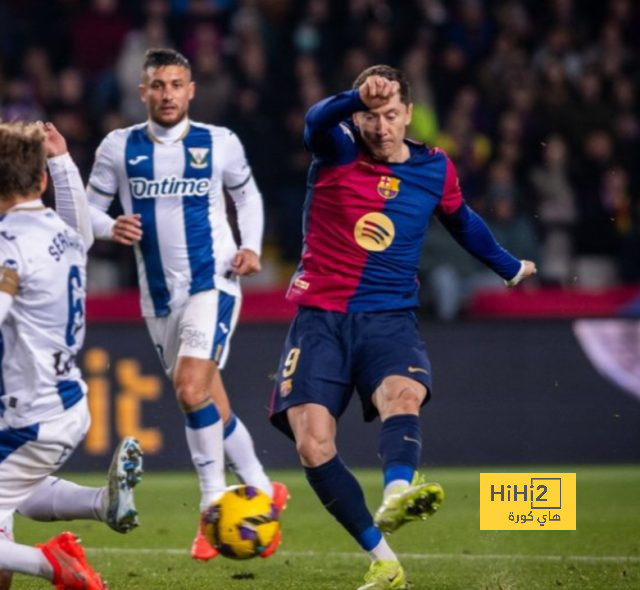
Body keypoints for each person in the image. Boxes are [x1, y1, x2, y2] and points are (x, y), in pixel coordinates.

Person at [269, 65, 537, 590]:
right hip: (320, 320)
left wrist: (507, 265)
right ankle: (383, 559)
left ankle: (397, 491)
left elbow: (462, 220)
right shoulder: (338, 150)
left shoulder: (435, 168)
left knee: (403, 394)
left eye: (391, 114)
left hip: (389, 318)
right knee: (312, 444)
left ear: (409, 115)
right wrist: (352, 97)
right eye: (371, 115)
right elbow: (313, 122)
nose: (381, 126)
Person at [86, 47, 288, 560]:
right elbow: (85, 209)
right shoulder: (118, 147)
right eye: (158, 85)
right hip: (157, 296)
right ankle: (264, 488)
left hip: (212, 282)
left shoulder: (218, 143)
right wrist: (111, 226)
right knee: (204, 400)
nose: (167, 94)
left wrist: (250, 245)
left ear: (191, 90)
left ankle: (212, 507)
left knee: (189, 385)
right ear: (143, 91)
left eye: (176, 84)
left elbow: (248, 195)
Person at [0, 121, 140, 590]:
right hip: (64, 405)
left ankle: (55, 566)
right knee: (17, 491)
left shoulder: (9, 247)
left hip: (29, 416)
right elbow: (82, 227)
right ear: (39, 181)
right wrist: (61, 161)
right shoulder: (62, 236)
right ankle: (101, 504)